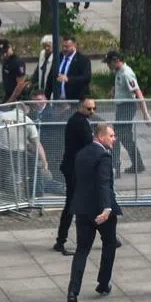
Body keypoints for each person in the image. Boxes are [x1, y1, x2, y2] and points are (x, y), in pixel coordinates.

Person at [66, 122, 122, 302]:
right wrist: (107, 208)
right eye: (111, 135)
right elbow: (103, 183)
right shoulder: (104, 156)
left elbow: (78, 181)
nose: (114, 139)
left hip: (82, 209)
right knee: (110, 244)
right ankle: (103, 282)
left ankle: (73, 292)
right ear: (100, 136)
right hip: (100, 210)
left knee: (82, 250)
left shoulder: (81, 154)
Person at [54, 97, 96, 256]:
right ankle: (60, 240)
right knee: (72, 205)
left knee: (80, 204)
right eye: (89, 108)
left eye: (94, 108)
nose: (92, 111)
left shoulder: (80, 120)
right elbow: (89, 142)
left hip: (76, 168)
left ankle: (61, 240)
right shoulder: (79, 122)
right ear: (80, 107)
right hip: (75, 170)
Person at [104, 50, 150, 176]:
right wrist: (113, 91)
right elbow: (120, 85)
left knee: (116, 136)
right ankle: (137, 164)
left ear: (116, 60)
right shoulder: (119, 71)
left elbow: (138, 93)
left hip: (127, 108)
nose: (108, 66)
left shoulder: (127, 73)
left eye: (109, 63)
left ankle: (116, 167)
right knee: (125, 137)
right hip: (121, 108)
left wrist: (146, 114)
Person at [47, 36, 91, 103]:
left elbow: (86, 78)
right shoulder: (58, 57)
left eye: (67, 47)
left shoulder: (83, 60)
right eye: (63, 46)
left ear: (74, 45)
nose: (64, 49)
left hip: (75, 101)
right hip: (58, 101)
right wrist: (46, 97)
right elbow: (50, 77)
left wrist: (69, 79)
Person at [30, 35, 55, 101]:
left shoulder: (57, 56)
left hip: (50, 88)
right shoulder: (42, 53)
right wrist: (32, 81)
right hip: (42, 84)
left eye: (48, 46)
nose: (46, 48)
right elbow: (38, 68)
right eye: (44, 46)